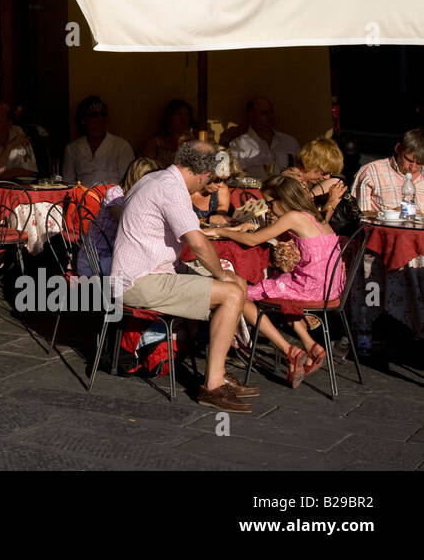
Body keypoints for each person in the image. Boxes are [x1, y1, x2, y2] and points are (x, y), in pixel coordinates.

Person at [109, 140, 253, 412]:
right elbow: (197, 243)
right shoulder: (170, 189)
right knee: (231, 291)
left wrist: (223, 275)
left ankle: (217, 371)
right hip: (140, 281)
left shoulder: (155, 178)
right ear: (203, 175)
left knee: (235, 282)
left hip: (139, 274)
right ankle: (213, 385)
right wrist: (221, 275)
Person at [205, 175, 344, 387]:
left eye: (271, 202)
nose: (269, 207)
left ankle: (290, 350)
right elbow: (280, 236)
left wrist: (222, 231)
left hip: (311, 289)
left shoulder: (293, 217)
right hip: (330, 288)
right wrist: (251, 229)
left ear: (284, 199)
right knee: (275, 283)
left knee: (239, 293)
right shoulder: (313, 215)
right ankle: (309, 344)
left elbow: (253, 241)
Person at [82, 157, 159, 277]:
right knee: (147, 268)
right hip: (96, 260)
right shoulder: (115, 194)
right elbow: (127, 222)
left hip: (116, 258)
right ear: (138, 179)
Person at [62, 96, 134, 187]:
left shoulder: (121, 146)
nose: (100, 119)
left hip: (114, 198)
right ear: (83, 120)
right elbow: (68, 182)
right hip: (82, 197)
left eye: (103, 114)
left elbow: (129, 182)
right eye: (94, 115)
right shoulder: (72, 148)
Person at [350, 128, 424, 214]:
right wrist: (391, 214)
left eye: (419, 163)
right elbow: (360, 216)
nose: (413, 167)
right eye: (409, 160)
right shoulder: (371, 172)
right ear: (398, 148)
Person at [226, 97, 301, 179]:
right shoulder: (238, 145)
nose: (270, 116)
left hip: (286, 190)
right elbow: (235, 177)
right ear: (251, 115)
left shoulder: (289, 142)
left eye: (271, 112)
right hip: (255, 191)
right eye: (264, 113)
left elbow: (302, 171)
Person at [282, 138, 348, 225]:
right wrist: (332, 202)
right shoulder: (294, 183)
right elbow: (315, 227)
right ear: (310, 161)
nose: (327, 177)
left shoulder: (293, 176)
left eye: (330, 174)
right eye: (324, 172)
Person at [142, 99, 196, 169]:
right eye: (178, 114)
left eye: (186, 114)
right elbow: (144, 168)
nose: (183, 118)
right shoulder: (156, 143)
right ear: (169, 117)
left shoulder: (194, 143)